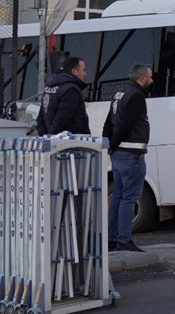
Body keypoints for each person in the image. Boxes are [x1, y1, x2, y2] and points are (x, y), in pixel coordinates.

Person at [103, 63, 154, 253]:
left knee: (117, 195)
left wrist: (110, 146)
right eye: (149, 76)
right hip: (132, 154)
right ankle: (123, 239)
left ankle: (110, 238)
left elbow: (109, 122)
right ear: (142, 78)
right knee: (129, 198)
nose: (151, 79)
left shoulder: (120, 93)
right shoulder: (137, 96)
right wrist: (114, 145)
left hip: (118, 154)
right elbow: (126, 125)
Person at [36, 56, 91, 135]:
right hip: (71, 141)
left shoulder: (48, 88)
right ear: (74, 71)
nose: (85, 74)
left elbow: (41, 118)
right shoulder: (71, 90)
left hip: (54, 141)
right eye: (83, 70)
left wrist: (45, 138)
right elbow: (62, 119)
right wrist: (52, 137)